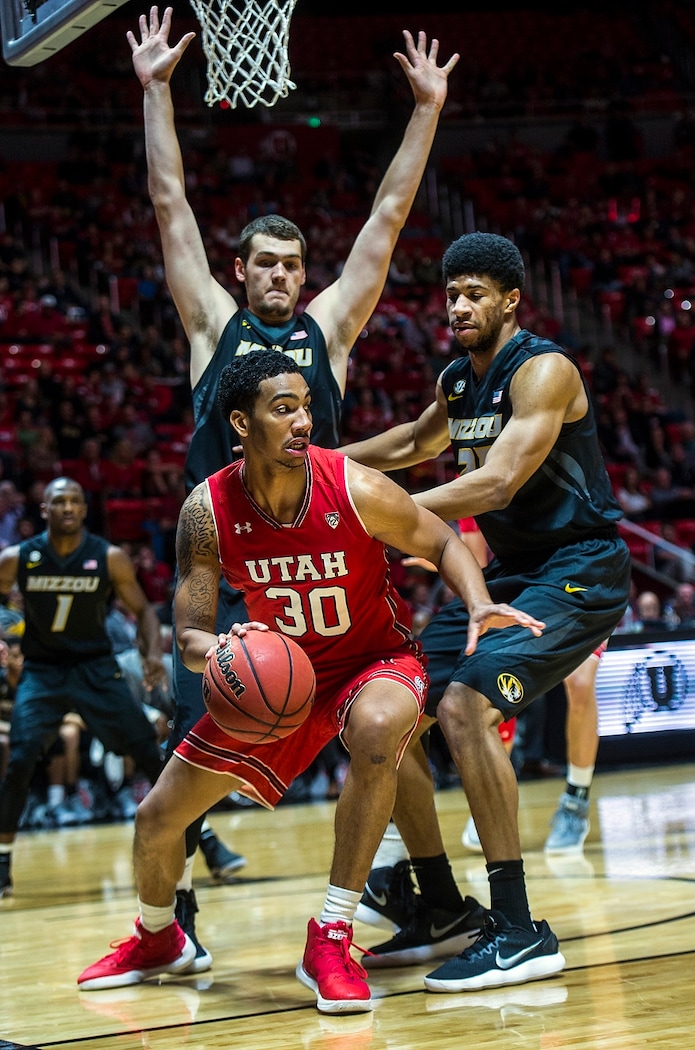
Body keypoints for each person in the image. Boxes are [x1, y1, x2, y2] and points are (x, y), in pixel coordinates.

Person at [127, 5, 459, 969]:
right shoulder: (210, 327)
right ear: (240, 272)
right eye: (264, 264)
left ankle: (426, 898)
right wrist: (155, 90)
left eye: (292, 264)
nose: (280, 276)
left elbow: (387, 219)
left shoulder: (329, 335)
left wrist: (426, 111)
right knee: (190, 740)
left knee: (388, 735)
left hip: (313, 565)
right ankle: (172, 924)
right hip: (222, 566)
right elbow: (170, 206)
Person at [75, 351, 545, 1012]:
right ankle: (160, 938)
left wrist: (475, 600)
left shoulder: (353, 485)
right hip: (282, 678)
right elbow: (188, 633)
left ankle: (330, 933)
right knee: (155, 821)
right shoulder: (206, 511)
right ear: (241, 422)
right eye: (282, 408)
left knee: (380, 727)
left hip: (375, 661)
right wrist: (221, 652)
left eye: (304, 404)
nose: (303, 421)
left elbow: (440, 538)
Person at [342, 232, 631, 991]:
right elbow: (413, 439)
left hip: (580, 569)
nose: (460, 306)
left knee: (465, 707)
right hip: (510, 573)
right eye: (452, 295)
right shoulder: (457, 381)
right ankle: (441, 908)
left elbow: (497, 482)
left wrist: (376, 517)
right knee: (387, 705)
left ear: (510, 299)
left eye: (475, 293)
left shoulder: (544, 371)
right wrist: (327, 465)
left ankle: (518, 929)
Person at [0, 478, 167, 899]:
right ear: (45, 510)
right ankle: (2, 861)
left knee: (148, 749)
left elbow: (144, 611)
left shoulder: (108, 558)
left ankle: (205, 843)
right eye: (59, 501)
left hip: (95, 668)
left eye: (75, 501)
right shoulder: (17, 558)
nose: (68, 507)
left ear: (84, 509)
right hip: (42, 670)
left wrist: (149, 654)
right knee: (19, 759)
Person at [462, 645, 607, 855]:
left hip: (581, 612)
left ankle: (576, 803)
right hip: (524, 613)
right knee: (502, 673)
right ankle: (492, 798)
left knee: (580, 682)